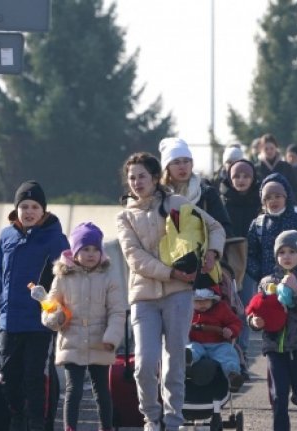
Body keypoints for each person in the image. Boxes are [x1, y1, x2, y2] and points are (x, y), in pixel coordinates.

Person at [116, 152, 226, 431]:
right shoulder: (125, 217)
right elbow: (134, 258)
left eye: (142, 176)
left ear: (155, 177)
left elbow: (214, 227)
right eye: (132, 178)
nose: (137, 182)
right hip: (143, 297)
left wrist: (212, 252)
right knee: (144, 363)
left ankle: (174, 420)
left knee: (174, 360)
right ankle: (152, 418)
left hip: (179, 293)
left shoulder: (176, 203)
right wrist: (171, 272)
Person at [0, 180, 70, 431]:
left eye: (34, 207)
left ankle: (39, 423)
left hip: (40, 322)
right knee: (8, 377)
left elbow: (67, 280)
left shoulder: (56, 239)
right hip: (10, 320)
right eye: (24, 206)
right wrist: (2, 304)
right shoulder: (6, 235)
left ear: (43, 210)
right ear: (16, 208)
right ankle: (17, 418)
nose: (28, 212)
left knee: (35, 377)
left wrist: (55, 311)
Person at [43, 222, 127, 431]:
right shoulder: (62, 278)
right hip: (72, 340)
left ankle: (106, 427)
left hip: (101, 341)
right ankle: (70, 427)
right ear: (75, 252)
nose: (91, 254)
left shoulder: (109, 277)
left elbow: (117, 312)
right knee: (74, 390)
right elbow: (49, 309)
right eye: (85, 249)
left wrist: (111, 338)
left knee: (101, 390)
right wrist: (56, 318)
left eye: (95, 249)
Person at [248, 230, 297, 431]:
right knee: (278, 396)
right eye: (282, 252)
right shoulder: (267, 282)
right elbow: (255, 309)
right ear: (275, 256)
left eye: (292, 251)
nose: (287, 256)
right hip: (274, 347)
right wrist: (255, 322)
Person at [246, 173, 297, 284]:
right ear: (263, 201)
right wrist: (261, 275)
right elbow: (250, 254)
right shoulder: (258, 224)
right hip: (268, 286)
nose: (273, 200)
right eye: (268, 198)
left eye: (278, 196)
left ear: (286, 196)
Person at [219, 158, 262, 358]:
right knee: (227, 307)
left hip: (252, 260)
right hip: (227, 261)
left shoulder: (260, 200)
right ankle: (227, 350)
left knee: (246, 307)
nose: (241, 180)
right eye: (237, 176)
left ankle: (242, 350)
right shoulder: (221, 200)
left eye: (246, 176)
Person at [159, 137, 232, 234]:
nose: (182, 166)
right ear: (167, 167)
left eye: (186, 161)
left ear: (192, 164)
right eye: (176, 162)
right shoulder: (159, 196)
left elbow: (224, 228)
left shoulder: (206, 193)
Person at [186, 287, 244, 391]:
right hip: (196, 342)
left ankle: (233, 375)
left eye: (206, 300)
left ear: (213, 300)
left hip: (218, 344)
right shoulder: (188, 311)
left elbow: (236, 323)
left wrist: (230, 330)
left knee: (228, 353)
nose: (202, 304)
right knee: (191, 348)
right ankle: (187, 358)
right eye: (198, 301)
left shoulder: (222, 308)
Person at [255, 133, 297, 207]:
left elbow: (295, 188)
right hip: (263, 208)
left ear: (276, 148)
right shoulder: (257, 169)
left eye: (272, 148)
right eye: (266, 149)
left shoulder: (286, 167)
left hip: (284, 206)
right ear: (261, 149)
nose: (269, 151)